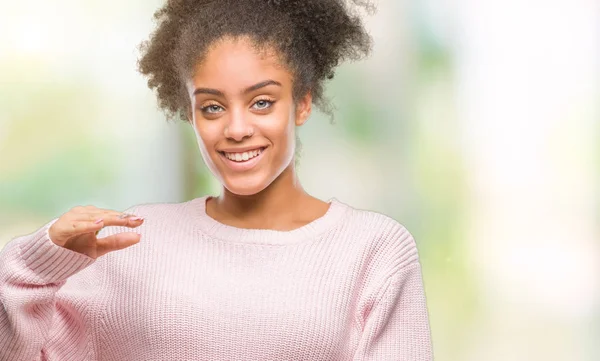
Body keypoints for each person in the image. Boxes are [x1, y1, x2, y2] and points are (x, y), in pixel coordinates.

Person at [0, 0, 433, 360]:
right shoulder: (130, 244)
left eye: (262, 102)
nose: (237, 128)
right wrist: (37, 263)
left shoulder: (373, 249)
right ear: (189, 113)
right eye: (212, 107)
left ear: (302, 104)